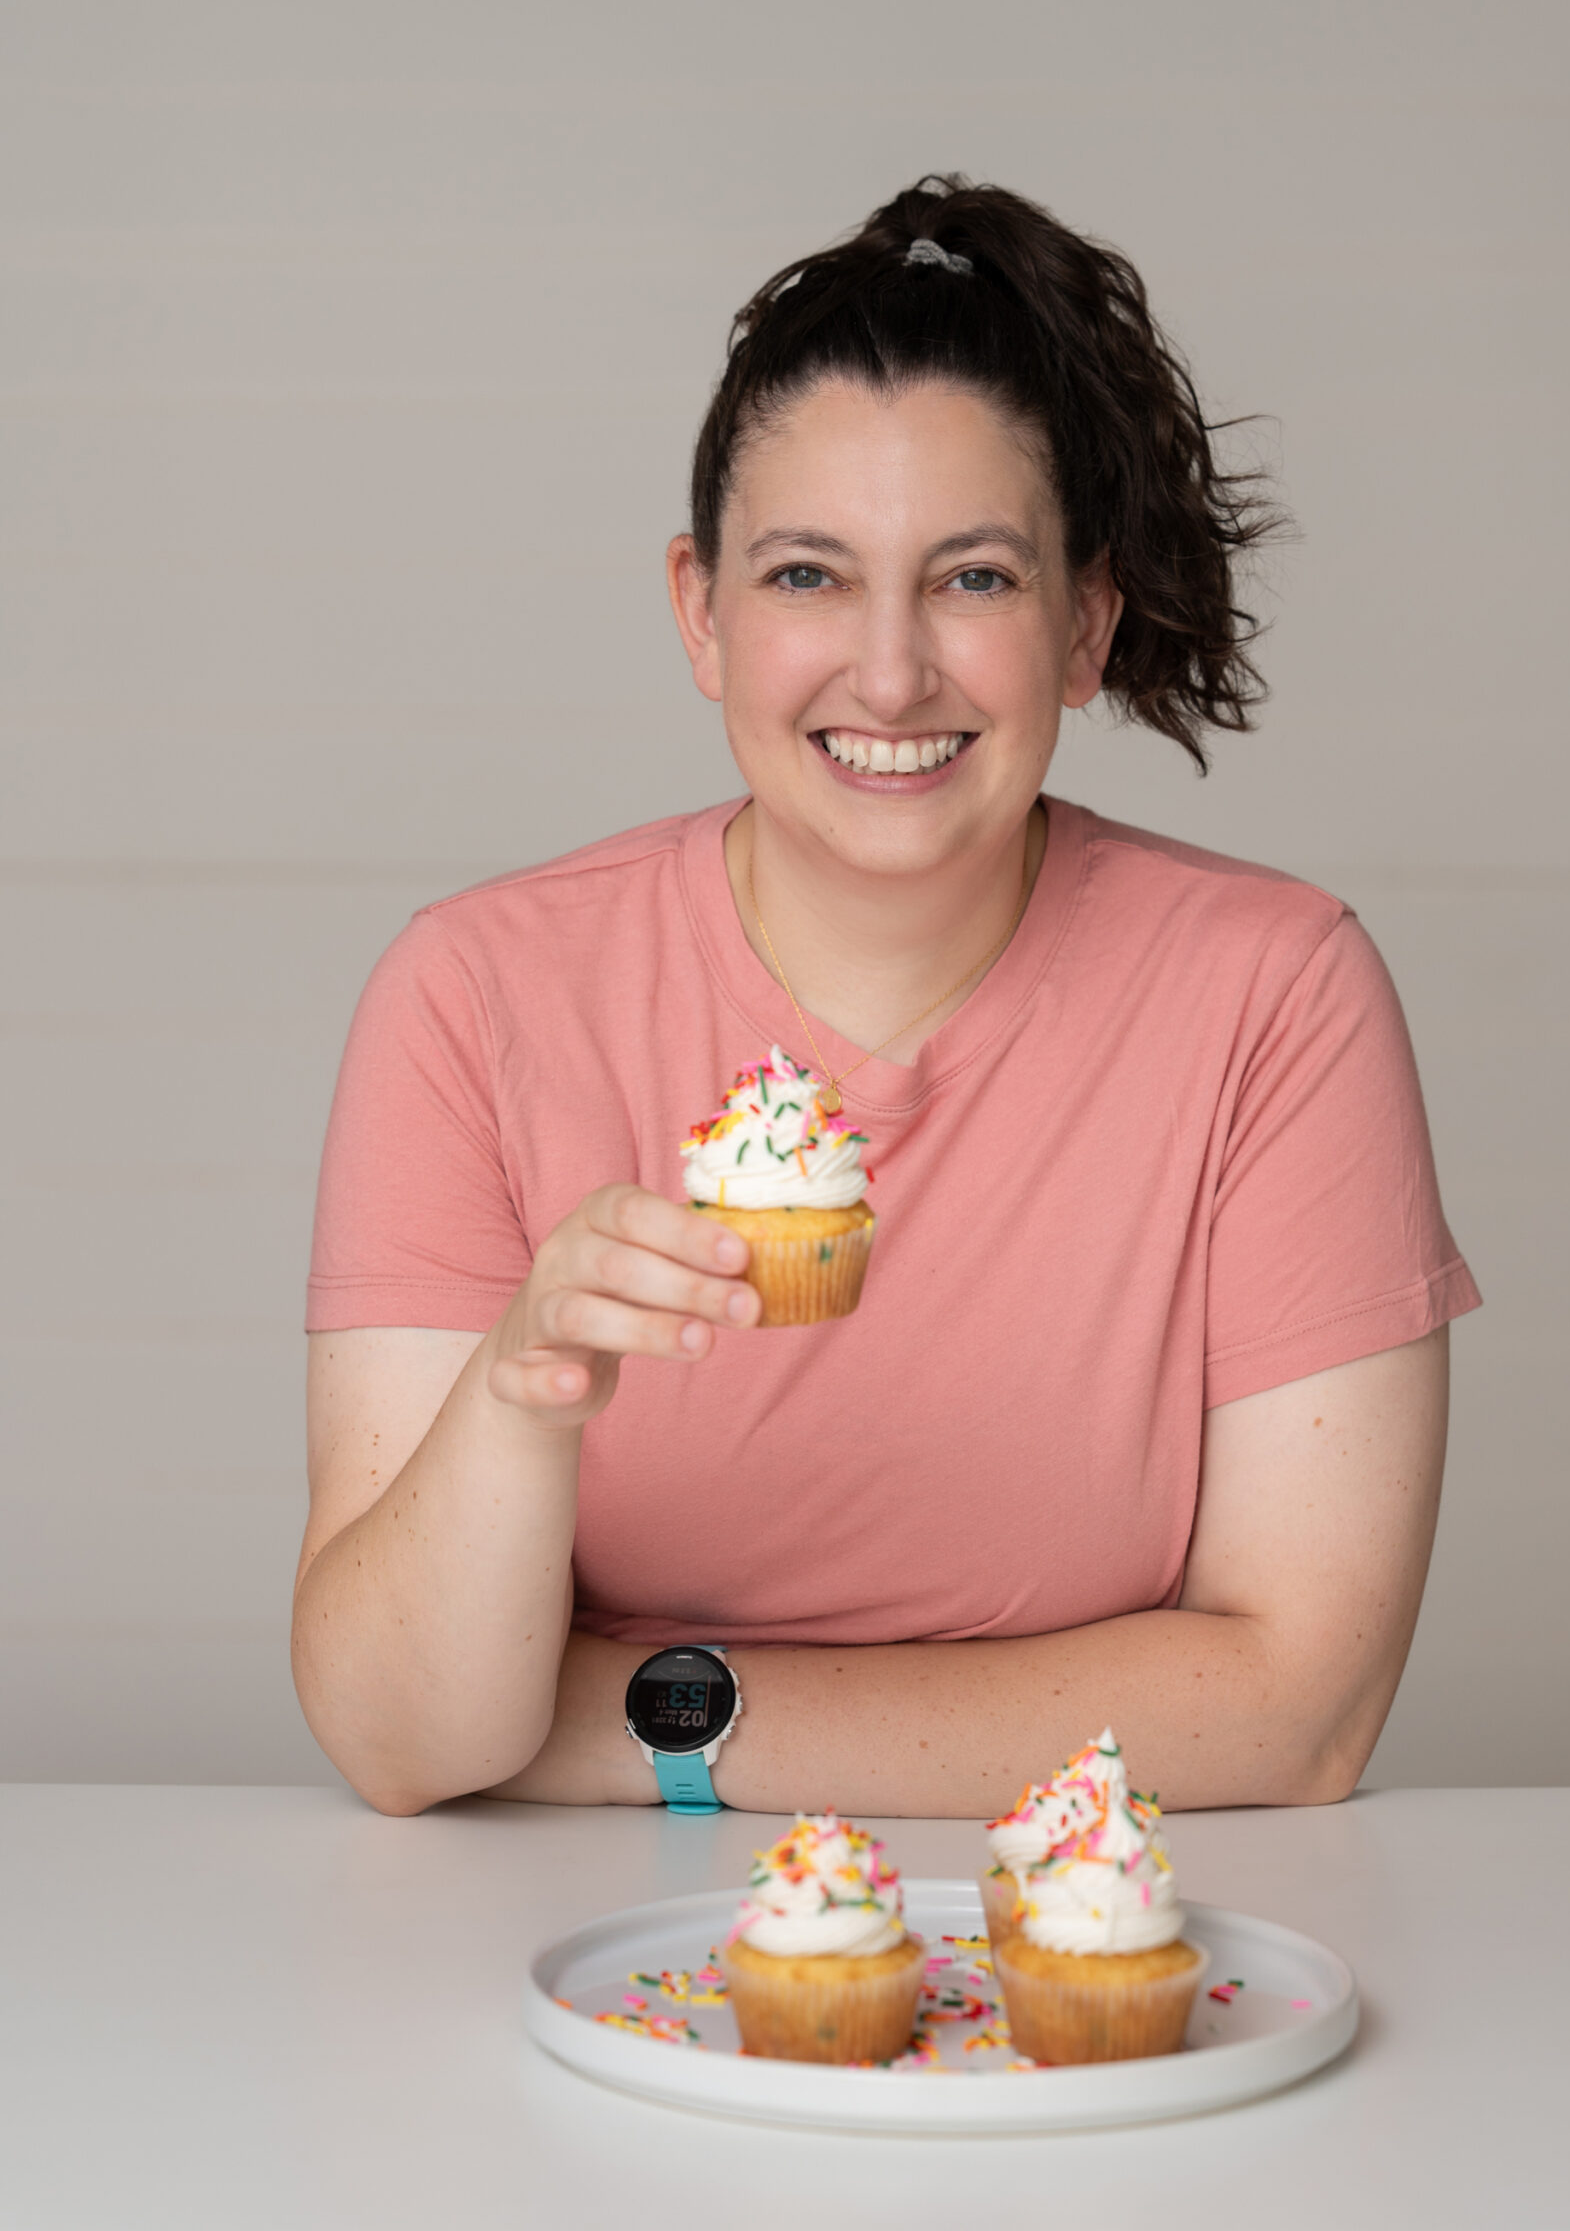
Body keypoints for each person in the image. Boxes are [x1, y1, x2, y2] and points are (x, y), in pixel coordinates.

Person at [293, 176, 1479, 1819]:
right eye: (807, 577)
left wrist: (637, 1724)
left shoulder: (1274, 998)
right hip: (571, 1937)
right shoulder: (473, 997)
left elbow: (1299, 1713)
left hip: (1104, 1921)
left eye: (975, 579)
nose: (893, 673)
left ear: (1086, 626)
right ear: (701, 613)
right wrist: (516, 1396)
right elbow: (399, 1739)